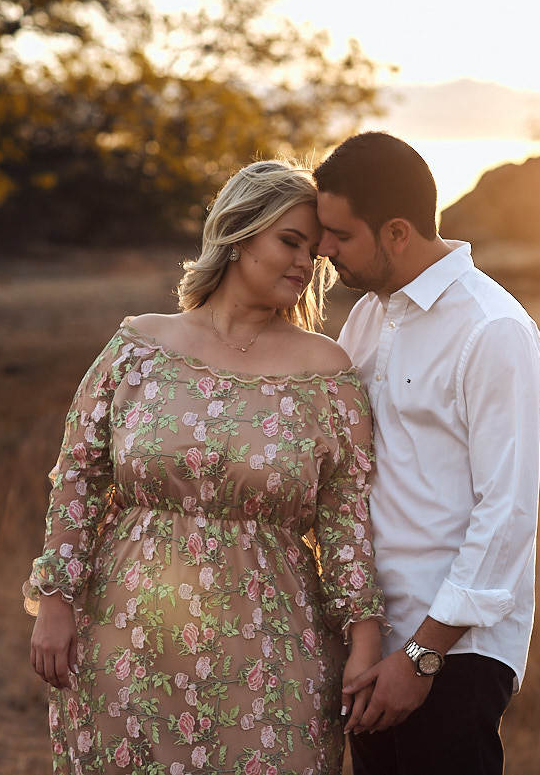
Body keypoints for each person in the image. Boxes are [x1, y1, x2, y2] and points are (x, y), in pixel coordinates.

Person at [25, 160, 387, 775]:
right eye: (289, 242)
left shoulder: (328, 371)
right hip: (127, 632)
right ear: (239, 233)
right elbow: (79, 476)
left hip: (274, 641)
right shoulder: (139, 345)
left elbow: (345, 521)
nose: (305, 264)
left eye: (314, 253)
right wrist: (56, 601)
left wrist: (365, 638)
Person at [314, 132, 540, 775]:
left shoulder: (491, 329)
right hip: (371, 645)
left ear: (396, 232)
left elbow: (507, 513)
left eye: (339, 235)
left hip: (454, 653)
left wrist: (422, 655)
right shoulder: (365, 317)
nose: (323, 249)